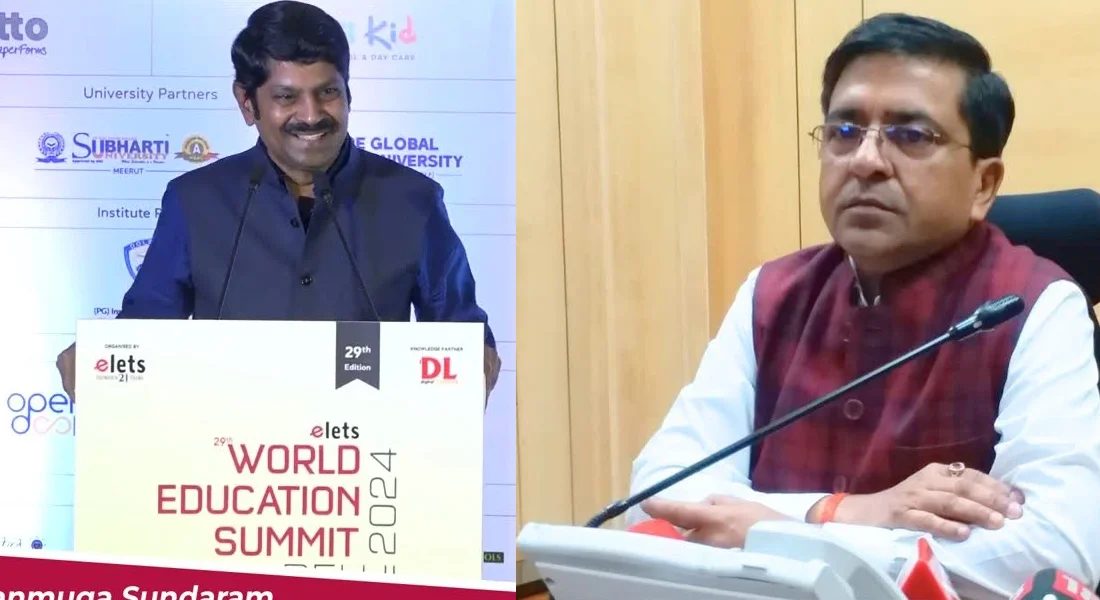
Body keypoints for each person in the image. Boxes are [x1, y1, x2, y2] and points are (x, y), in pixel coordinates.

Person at [627, 13, 1100, 600]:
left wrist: (779, 532)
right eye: (844, 131)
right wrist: (843, 513)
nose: (865, 160)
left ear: (983, 184)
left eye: (911, 135)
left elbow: (1057, 547)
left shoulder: (1033, 306)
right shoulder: (772, 293)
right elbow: (657, 491)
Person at [55, 0, 500, 400]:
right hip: (229, 454)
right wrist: (99, 358)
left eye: (327, 92)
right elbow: (144, 332)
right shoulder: (194, 201)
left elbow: (461, 332)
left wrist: (476, 357)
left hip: (365, 454)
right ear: (247, 103)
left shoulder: (414, 200)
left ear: (348, 92)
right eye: (286, 97)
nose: (311, 115)